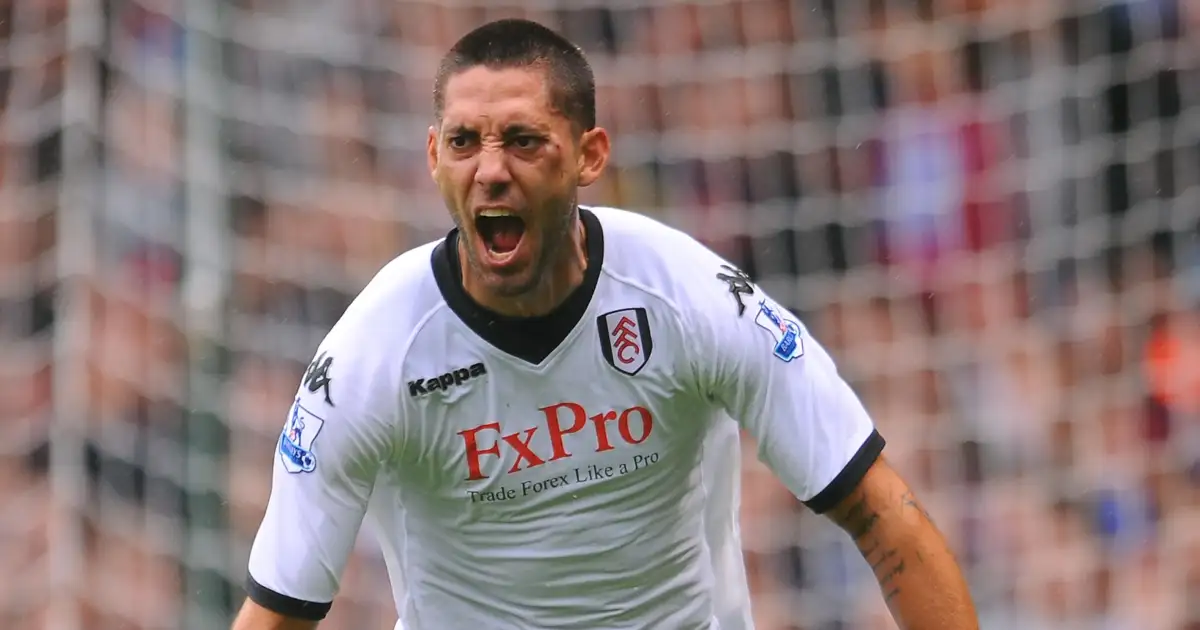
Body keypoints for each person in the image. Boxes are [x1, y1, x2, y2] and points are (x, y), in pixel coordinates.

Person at [232, 18, 979, 630]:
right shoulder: (373, 353)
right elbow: (277, 613)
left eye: (523, 140)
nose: (490, 168)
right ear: (434, 158)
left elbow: (886, 519)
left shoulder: (688, 296)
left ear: (590, 155)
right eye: (464, 141)